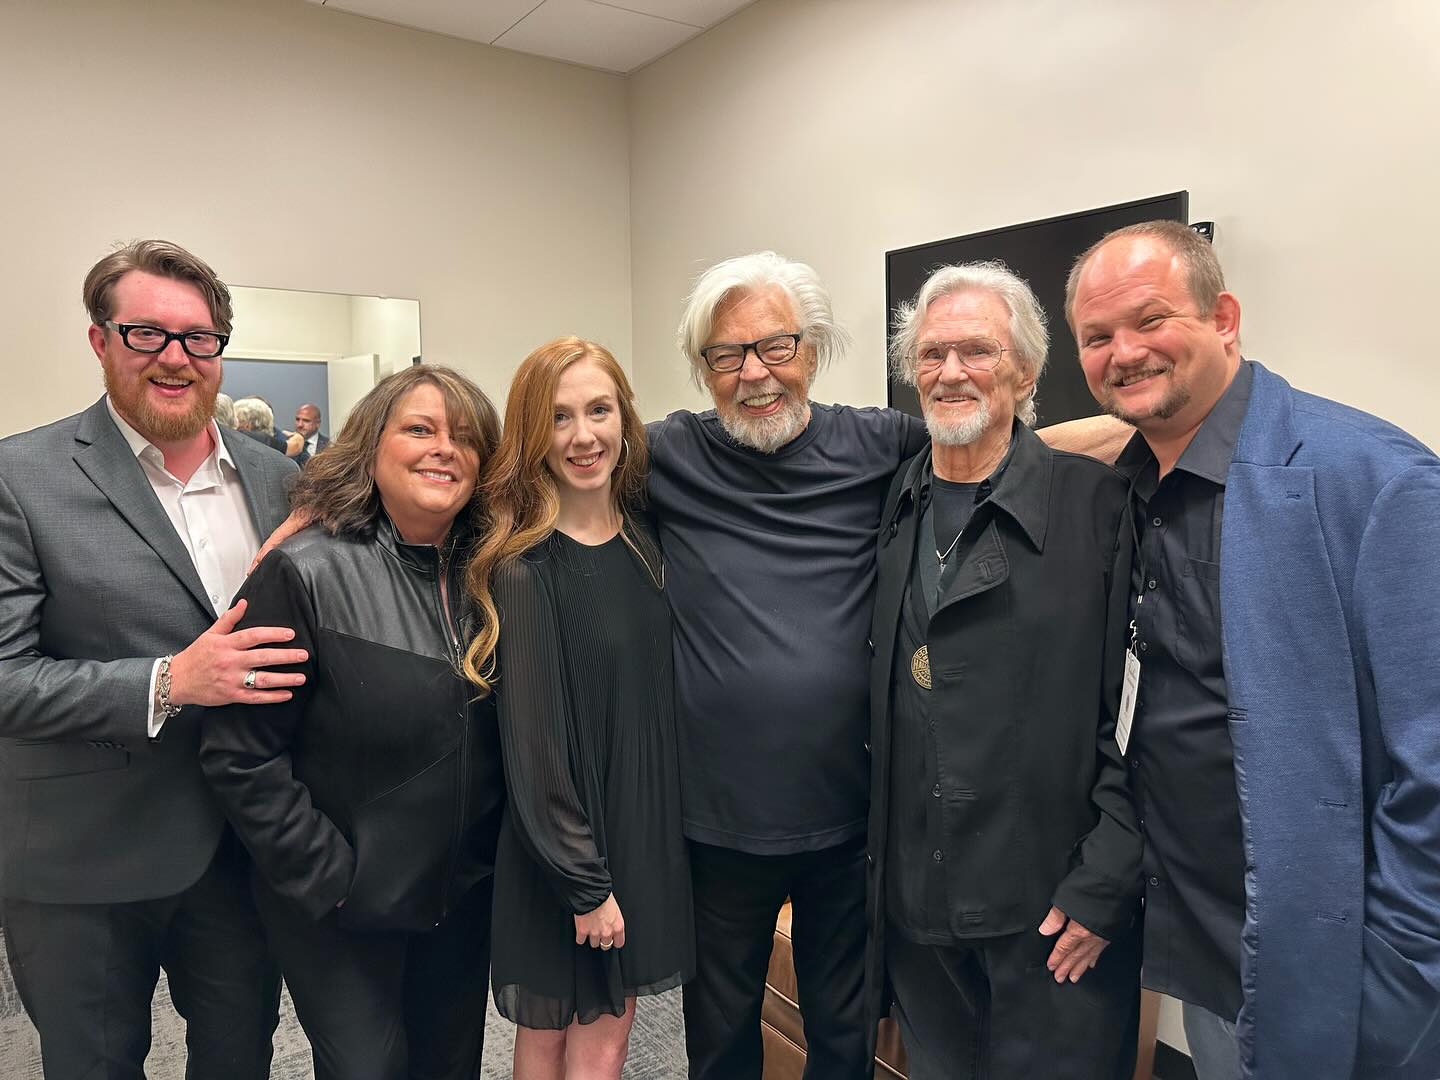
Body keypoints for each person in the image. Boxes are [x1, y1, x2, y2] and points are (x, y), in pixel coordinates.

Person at [1066, 219, 1440, 1080]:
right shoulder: (1129, 490)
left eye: (1151, 320)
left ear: (1224, 317)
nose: (1124, 352)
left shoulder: (1375, 482)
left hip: (1338, 979)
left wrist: (1395, 980)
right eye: (1098, 337)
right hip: (1204, 950)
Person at [0, 239, 303, 1078]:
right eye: (146, 333)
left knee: (241, 1058)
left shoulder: (281, 483)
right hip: (81, 857)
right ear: (101, 341)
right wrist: (171, 681)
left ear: (219, 350)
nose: (175, 358)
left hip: (242, 852)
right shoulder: (19, 477)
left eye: (197, 338)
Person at [865, 262, 1141, 1079]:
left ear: (1024, 371)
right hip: (920, 910)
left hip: (1054, 915)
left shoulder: (1099, 508)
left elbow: (1144, 710)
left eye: (978, 351)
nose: (951, 372)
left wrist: (1106, 882)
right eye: (932, 353)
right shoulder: (890, 503)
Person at [198, 365, 505, 1080]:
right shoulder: (302, 572)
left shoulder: (497, 573)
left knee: (449, 1067)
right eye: (419, 429)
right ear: (373, 444)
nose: (443, 449)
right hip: (340, 904)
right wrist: (333, 878)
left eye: (463, 437)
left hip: (460, 898)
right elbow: (240, 754)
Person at [463, 337, 692, 1080]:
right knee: (560, 1042)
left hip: (641, 826)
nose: (584, 435)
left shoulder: (647, 542)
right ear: (533, 433)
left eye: (599, 410)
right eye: (559, 418)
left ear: (625, 419)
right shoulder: (527, 567)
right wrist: (584, 882)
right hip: (566, 845)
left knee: (607, 1039)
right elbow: (532, 748)